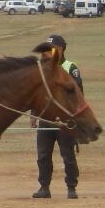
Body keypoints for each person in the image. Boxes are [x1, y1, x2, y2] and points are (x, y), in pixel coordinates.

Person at [32, 33, 82, 198]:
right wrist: (34, 113)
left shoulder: (70, 68)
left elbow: (78, 95)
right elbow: (36, 94)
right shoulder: (42, 68)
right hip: (46, 119)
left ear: (61, 49)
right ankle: (44, 187)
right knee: (43, 155)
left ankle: (71, 188)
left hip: (65, 122)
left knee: (68, 155)